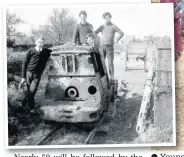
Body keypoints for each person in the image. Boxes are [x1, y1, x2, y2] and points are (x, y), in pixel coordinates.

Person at [21, 36, 52, 112]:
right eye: (38, 42)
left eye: (41, 42)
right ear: (35, 42)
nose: (40, 44)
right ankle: (32, 108)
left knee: (33, 91)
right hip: (29, 73)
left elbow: (54, 51)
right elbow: (24, 63)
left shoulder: (46, 52)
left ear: (44, 43)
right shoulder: (31, 51)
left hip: (37, 75)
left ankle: (23, 103)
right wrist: (23, 77)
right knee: (28, 91)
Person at [95, 12, 124, 79]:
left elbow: (122, 33)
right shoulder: (102, 26)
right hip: (102, 47)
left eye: (108, 17)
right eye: (105, 18)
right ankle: (101, 76)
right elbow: (94, 33)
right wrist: (98, 40)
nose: (107, 19)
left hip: (110, 47)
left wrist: (116, 39)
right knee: (101, 62)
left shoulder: (113, 26)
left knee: (110, 63)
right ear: (104, 18)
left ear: (110, 18)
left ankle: (112, 77)